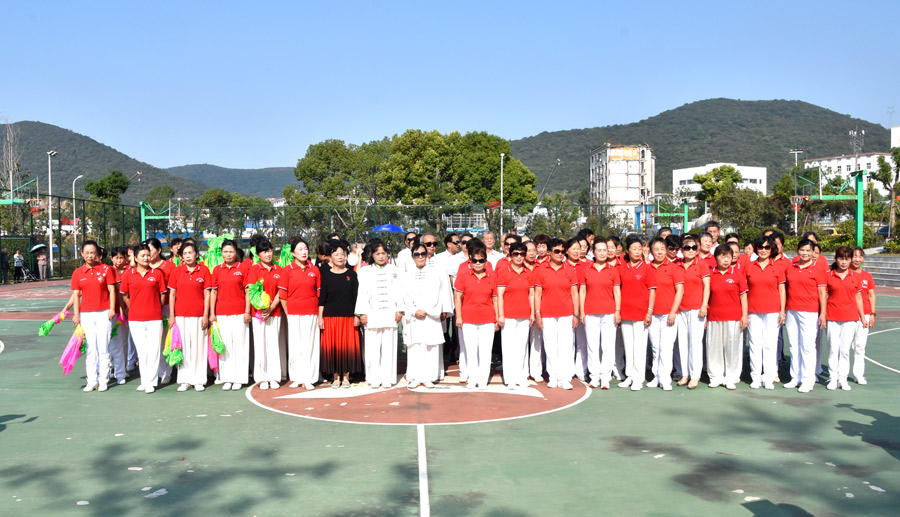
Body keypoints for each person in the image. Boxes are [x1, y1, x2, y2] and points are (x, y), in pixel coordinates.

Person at [355, 239, 403, 388]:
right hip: (372, 313)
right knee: (372, 348)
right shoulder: (364, 271)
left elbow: (399, 290)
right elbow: (362, 293)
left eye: (383, 253)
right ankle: (373, 377)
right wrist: (362, 313)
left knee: (389, 348)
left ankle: (388, 378)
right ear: (372, 255)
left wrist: (399, 309)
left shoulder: (394, 270)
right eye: (377, 253)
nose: (381, 256)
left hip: (390, 313)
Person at [120, 243, 167, 394]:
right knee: (142, 351)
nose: (146, 258)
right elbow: (125, 295)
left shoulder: (157, 274)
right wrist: (133, 307)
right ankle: (144, 381)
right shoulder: (128, 274)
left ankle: (151, 382)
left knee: (154, 350)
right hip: (135, 319)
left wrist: (156, 307)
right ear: (135, 258)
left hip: (154, 318)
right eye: (142, 255)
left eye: (148, 255)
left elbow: (163, 294)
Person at [70, 240, 117, 392]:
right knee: (90, 349)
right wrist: (76, 315)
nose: (90, 255)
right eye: (87, 252)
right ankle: (91, 381)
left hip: (104, 313)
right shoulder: (78, 272)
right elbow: (76, 295)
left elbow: (112, 290)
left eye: (92, 252)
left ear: (97, 254)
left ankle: (103, 380)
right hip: (86, 315)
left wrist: (111, 309)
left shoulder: (106, 269)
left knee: (103, 348)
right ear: (82, 254)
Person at [534, 238, 579, 390]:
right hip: (547, 314)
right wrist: (538, 314)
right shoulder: (541, 270)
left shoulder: (570, 270)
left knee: (566, 347)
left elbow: (575, 294)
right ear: (550, 252)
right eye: (557, 251)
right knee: (550, 346)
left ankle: (564, 378)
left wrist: (576, 314)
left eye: (563, 251)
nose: (560, 254)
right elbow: (537, 294)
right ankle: (553, 376)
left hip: (566, 313)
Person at [454, 239, 499, 389]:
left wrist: (497, 319)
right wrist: (459, 316)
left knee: (485, 351)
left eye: (481, 260)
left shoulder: (492, 276)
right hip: (468, 319)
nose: (478, 263)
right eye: (475, 260)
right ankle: (472, 379)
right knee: (471, 351)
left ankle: (483, 380)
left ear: (486, 262)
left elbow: (495, 298)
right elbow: (458, 297)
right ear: (471, 261)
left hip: (487, 319)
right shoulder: (464, 275)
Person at [277, 238, 321, 390]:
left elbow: (319, 294)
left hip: (311, 312)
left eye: (305, 249)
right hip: (294, 313)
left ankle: (309, 378)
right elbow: (283, 296)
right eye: (300, 249)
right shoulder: (287, 270)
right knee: (296, 346)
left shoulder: (314, 270)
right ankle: (297, 377)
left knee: (310, 345)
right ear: (293, 253)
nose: (303, 252)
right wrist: (288, 313)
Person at [783, 238, 826, 393]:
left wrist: (823, 313)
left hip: (809, 311)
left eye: (808, 250)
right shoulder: (791, 267)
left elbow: (822, 293)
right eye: (802, 250)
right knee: (794, 345)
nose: (805, 253)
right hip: (791, 310)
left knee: (807, 346)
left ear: (813, 252)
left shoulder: (818, 269)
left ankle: (808, 380)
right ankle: (796, 377)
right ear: (798, 251)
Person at [167, 242, 211, 392]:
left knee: (199, 347)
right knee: (183, 347)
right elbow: (172, 295)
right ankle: (184, 380)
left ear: (196, 254)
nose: (187, 256)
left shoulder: (204, 270)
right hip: (181, 315)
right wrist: (172, 315)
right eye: (184, 253)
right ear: (181, 257)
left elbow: (207, 294)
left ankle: (199, 380)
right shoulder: (177, 271)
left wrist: (206, 315)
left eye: (190, 252)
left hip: (199, 316)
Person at [403, 241, 447, 388]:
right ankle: (415, 377)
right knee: (415, 346)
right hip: (414, 317)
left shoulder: (435, 273)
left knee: (430, 347)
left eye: (423, 254)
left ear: (427, 256)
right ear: (413, 256)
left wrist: (426, 310)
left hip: (430, 316)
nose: (420, 257)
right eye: (417, 254)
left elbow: (437, 295)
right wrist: (414, 311)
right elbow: (405, 296)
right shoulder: (407, 275)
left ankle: (429, 377)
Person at [318, 240, 361, 388]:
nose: (340, 257)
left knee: (347, 347)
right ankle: (335, 377)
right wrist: (320, 317)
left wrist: (357, 316)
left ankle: (346, 377)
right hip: (330, 318)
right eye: (336, 254)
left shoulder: (352, 275)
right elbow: (322, 298)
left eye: (342, 254)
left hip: (348, 318)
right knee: (333, 348)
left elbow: (356, 297)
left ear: (346, 256)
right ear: (330, 257)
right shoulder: (325, 275)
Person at [744, 235, 785, 390]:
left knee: (770, 345)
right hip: (753, 311)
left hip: (772, 311)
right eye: (760, 247)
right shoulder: (749, 266)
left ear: (771, 249)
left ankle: (768, 377)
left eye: (767, 247)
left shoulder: (777, 267)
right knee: (755, 345)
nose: (763, 250)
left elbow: (782, 291)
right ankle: (755, 376)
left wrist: (782, 311)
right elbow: (744, 291)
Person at [824, 246, 867, 391]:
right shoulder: (829, 275)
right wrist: (822, 314)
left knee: (845, 350)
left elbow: (859, 298)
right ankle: (833, 378)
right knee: (833, 349)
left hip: (850, 318)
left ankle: (843, 379)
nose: (844, 262)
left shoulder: (855, 277)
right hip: (832, 317)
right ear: (836, 259)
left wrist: (863, 317)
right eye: (841, 259)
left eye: (847, 259)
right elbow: (824, 296)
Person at [210, 239, 251, 391]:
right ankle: (227, 377)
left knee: (240, 345)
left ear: (236, 252)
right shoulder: (217, 269)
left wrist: (247, 311)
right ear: (221, 253)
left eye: (231, 251)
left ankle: (239, 378)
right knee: (225, 346)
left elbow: (248, 291)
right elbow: (213, 292)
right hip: (222, 313)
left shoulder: (243, 268)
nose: (228, 254)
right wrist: (212, 313)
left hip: (240, 313)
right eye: (225, 252)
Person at [580, 240, 621, 389]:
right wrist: (582, 311)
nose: (603, 253)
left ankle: (605, 377)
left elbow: (617, 292)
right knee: (592, 346)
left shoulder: (613, 270)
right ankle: (594, 376)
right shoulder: (586, 269)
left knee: (608, 346)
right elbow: (582, 291)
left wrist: (617, 311)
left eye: (605, 250)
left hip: (609, 313)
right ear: (594, 252)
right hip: (590, 313)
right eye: (599, 250)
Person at [706, 246, 748, 390]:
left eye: (728, 257)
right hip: (714, 317)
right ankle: (715, 377)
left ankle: (731, 377)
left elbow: (743, 296)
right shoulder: (710, 274)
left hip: (733, 317)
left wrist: (744, 315)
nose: (726, 260)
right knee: (714, 348)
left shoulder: (737, 274)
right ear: (716, 258)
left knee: (733, 348)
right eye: (722, 256)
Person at [618, 235, 657, 391]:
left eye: (640, 248)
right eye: (634, 248)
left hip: (641, 314)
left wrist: (649, 312)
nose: (637, 251)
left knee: (639, 347)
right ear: (628, 251)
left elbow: (652, 292)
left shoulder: (647, 268)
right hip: (625, 314)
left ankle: (638, 378)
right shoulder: (622, 268)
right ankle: (630, 375)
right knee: (628, 347)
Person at [245, 239, 283, 391]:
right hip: (258, 314)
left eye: (269, 251)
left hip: (275, 313)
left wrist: (271, 307)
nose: (267, 254)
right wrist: (260, 309)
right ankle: (262, 377)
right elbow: (251, 292)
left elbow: (281, 291)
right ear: (258, 254)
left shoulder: (278, 269)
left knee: (273, 345)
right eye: (264, 252)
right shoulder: (254, 269)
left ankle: (274, 377)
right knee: (260, 345)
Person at [647, 237, 684, 391]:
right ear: (651, 251)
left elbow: (680, 291)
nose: (660, 252)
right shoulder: (647, 268)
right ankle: (656, 376)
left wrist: (673, 311)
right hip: (652, 315)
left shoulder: (674, 268)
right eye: (656, 249)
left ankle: (665, 378)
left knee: (666, 348)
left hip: (669, 314)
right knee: (656, 348)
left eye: (662, 249)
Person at [497, 241, 534, 389]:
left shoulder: (528, 273)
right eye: (516, 254)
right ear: (510, 255)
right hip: (508, 316)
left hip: (524, 315)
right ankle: (510, 378)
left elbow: (531, 295)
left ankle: (520, 376)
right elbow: (500, 296)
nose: (519, 256)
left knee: (521, 347)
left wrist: (532, 313)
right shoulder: (504, 273)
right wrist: (501, 315)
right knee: (508, 348)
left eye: (522, 254)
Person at [676, 234, 710, 389]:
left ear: (697, 250)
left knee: (695, 343)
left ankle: (695, 375)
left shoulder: (702, 264)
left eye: (693, 247)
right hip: (681, 309)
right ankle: (685, 374)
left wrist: (704, 305)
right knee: (682, 343)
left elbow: (707, 286)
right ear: (682, 250)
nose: (690, 250)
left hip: (697, 309)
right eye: (687, 247)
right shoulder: (678, 265)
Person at [849, 247, 876, 385]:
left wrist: (872, 314)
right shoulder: (845, 274)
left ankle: (859, 375)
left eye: (860, 256)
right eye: (854, 256)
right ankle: (840, 375)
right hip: (847, 314)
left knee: (860, 346)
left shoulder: (867, 276)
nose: (857, 259)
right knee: (843, 347)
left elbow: (871, 295)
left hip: (864, 315)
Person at [108, 246, 130, 384]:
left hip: (126, 311)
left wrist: (125, 309)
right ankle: (111, 366)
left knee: (123, 341)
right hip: (112, 311)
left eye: (121, 257)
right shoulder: (108, 271)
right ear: (112, 259)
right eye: (116, 258)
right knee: (111, 341)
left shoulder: (129, 271)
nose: (119, 260)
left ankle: (122, 367)